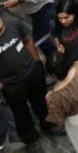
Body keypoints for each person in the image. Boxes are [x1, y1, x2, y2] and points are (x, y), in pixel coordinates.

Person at [0, 13, 52, 152]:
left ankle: (47, 124)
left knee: (41, 101)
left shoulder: (13, 23)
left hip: (32, 72)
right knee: (20, 113)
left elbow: (28, 40)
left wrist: (37, 62)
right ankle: (30, 138)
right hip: (12, 85)